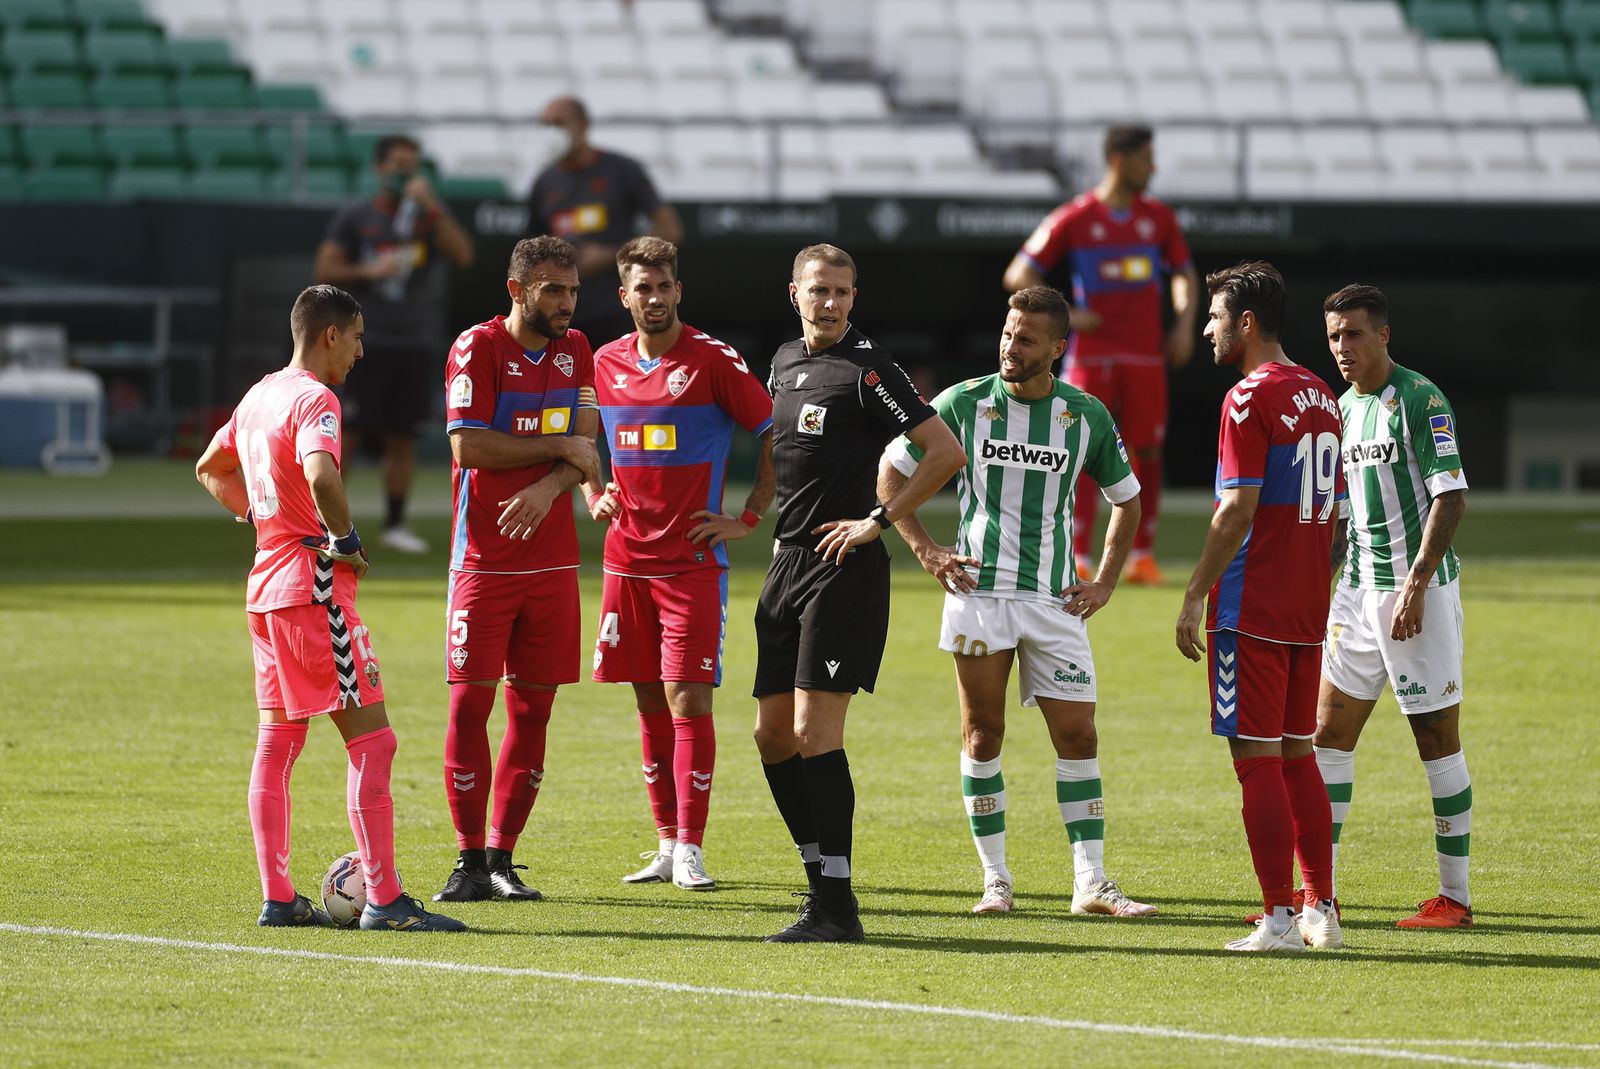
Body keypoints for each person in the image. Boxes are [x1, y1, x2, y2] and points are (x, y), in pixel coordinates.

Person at [879, 286, 1157, 918]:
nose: (1012, 346)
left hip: (1054, 601)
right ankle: (996, 880)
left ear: (1058, 348)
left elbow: (1128, 499)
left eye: (1027, 338)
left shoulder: (1084, 415)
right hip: (978, 595)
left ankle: (1091, 882)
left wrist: (1107, 580)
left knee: (1079, 734)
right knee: (983, 734)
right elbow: (891, 471)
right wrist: (924, 549)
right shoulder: (962, 403)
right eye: (1008, 333)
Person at [194, 284, 465, 932]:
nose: (362, 350)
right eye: (358, 336)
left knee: (278, 740)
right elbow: (320, 473)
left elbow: (210, 466)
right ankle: (386, 900)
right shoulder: (316, 398)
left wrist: (259, 514)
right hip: (312, 588)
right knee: (374, 739)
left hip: (264, 586)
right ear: (329, 335)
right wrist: (343, 540)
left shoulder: (259, 394)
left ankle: (279, 896)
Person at [753, 244, 967, 943]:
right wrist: (752, 516)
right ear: (795, 293)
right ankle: (819, 878)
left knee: (817, 733)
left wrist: (878, 520)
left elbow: (943, 451)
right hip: (786, 565)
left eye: (843, 291)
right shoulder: (784, 361)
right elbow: (776, 451)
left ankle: (837, 902)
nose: (833, 302)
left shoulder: (869, 371)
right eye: (820, 290)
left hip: (843, 569)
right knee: (772, 734)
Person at [583, 236, 777, 892]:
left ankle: (692, 846)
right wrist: (592, 488)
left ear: (679, 291)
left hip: (692, 564)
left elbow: (775, 430)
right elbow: (582, 433)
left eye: (666, 286)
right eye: (644, 288)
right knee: (647, 703)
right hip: (625, 565)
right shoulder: (604, 362)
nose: (656, 298)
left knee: (687, 699)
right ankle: (665, 842)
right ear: (625, 296)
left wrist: (748, 515)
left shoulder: (712, 360)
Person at [1174, 261, 1343, 953]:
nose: (1208, 328)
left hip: (1251, 603)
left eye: (1215, 317)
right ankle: (1320, 908)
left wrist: (1194, 593)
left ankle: (1275, 916)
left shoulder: (1247, 397)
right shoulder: (1322, 393)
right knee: (1299, 756)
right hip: (1308, 604)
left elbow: (1236, 508)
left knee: (1257, 761)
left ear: (1246, 323)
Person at [432, 236, 601, 903]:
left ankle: (502, 858)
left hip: (554, 560)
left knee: (534, 710)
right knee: (471, 703)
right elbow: (467, 444)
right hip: (483, 560)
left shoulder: (577, 348)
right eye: (552, 290)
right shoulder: (477, 348)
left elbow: (586, 448)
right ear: (516, 289)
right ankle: (467, 860)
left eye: (572, 291)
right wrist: (559, 446)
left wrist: (549, 484)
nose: (565, 303)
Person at [1314, 284, 1474, 929]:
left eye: (1354, 334)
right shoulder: (1338, 411)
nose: (1342, 348)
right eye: (1333, 336)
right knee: (1326, 734)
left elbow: (1451, 496)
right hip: (1355, 594)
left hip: (1419, 593)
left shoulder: (1419, 397)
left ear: (1383, 335)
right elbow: (1342, 514)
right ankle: (1317, 891)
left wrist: (1414, 583)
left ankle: (1455, 897)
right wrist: (1319, 585)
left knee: (1435, 737)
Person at [1003, 123, 1198, 587]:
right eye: (1146, 158)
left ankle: (1142, 556)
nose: (1153, 167)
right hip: (1091, 357)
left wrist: (1185, 321)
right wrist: (1066, 312)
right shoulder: (1076, 216)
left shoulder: (1158, 218)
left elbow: (1183, 274)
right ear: (1118, 160)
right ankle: (1080, 554)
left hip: (1145, 353)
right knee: (1083, 450)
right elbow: (1018, 274)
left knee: (1146, 449)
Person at [315, 133, 476, 555]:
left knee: (402, 436)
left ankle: (394, 522)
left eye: (412, 164)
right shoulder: (357, 217)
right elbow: (325, 267)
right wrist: (370, 270)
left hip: (415, 339)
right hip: (366, 341)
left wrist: (432, 206)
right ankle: (325, 521)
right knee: (347, 431)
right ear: (380, 168)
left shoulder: (425, 219)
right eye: (398, 164)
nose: (405, 172)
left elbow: (462, 254)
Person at [526, 96, 684, 346]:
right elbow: (531, 253)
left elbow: (670, 229)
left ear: (583, 125)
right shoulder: (544, 182)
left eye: (558, 124)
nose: (551, 133)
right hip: (561, 318)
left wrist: (611, 255)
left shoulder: (622, 171)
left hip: (616, 313)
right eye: (546, 126)